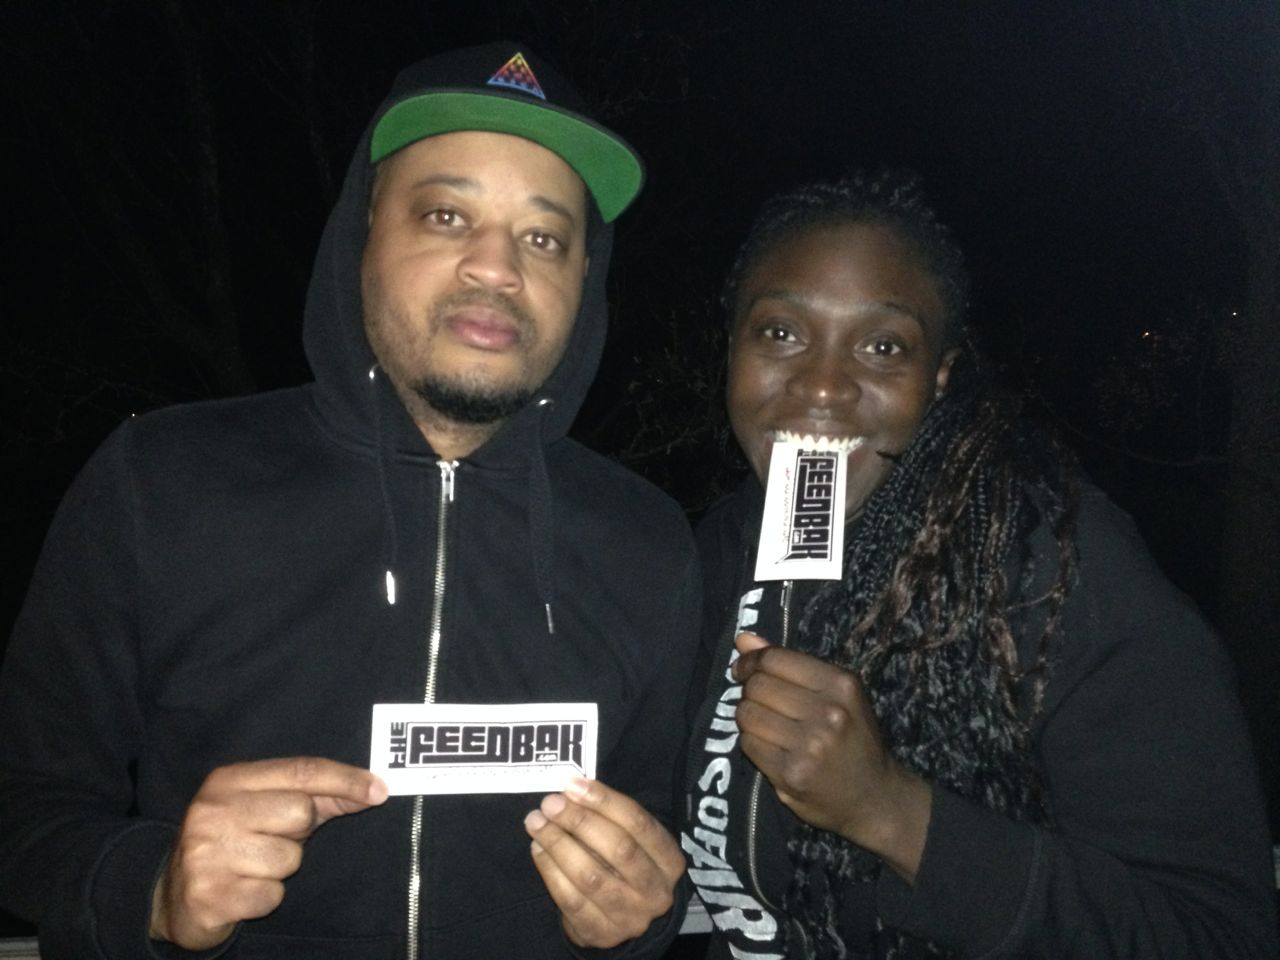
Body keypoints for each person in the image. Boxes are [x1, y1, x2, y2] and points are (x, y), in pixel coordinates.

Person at [0, 43, 697, 960]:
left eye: (543, 238)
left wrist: (641, 918)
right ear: (363, 235)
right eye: (446, 215)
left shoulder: (648, 541)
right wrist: (154, 887)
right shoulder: (160, 481)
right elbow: (26, 804)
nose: (496, 267)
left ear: (584, 280)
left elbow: (658, 837)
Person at [682, 171, 1278, 958]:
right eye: (781, 332)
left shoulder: (1050, 568)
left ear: (940, 375)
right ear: (732, 345)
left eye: (883, 346)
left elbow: (1221, 934)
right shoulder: (709, 554)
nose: (822, 384)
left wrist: (894, 812)